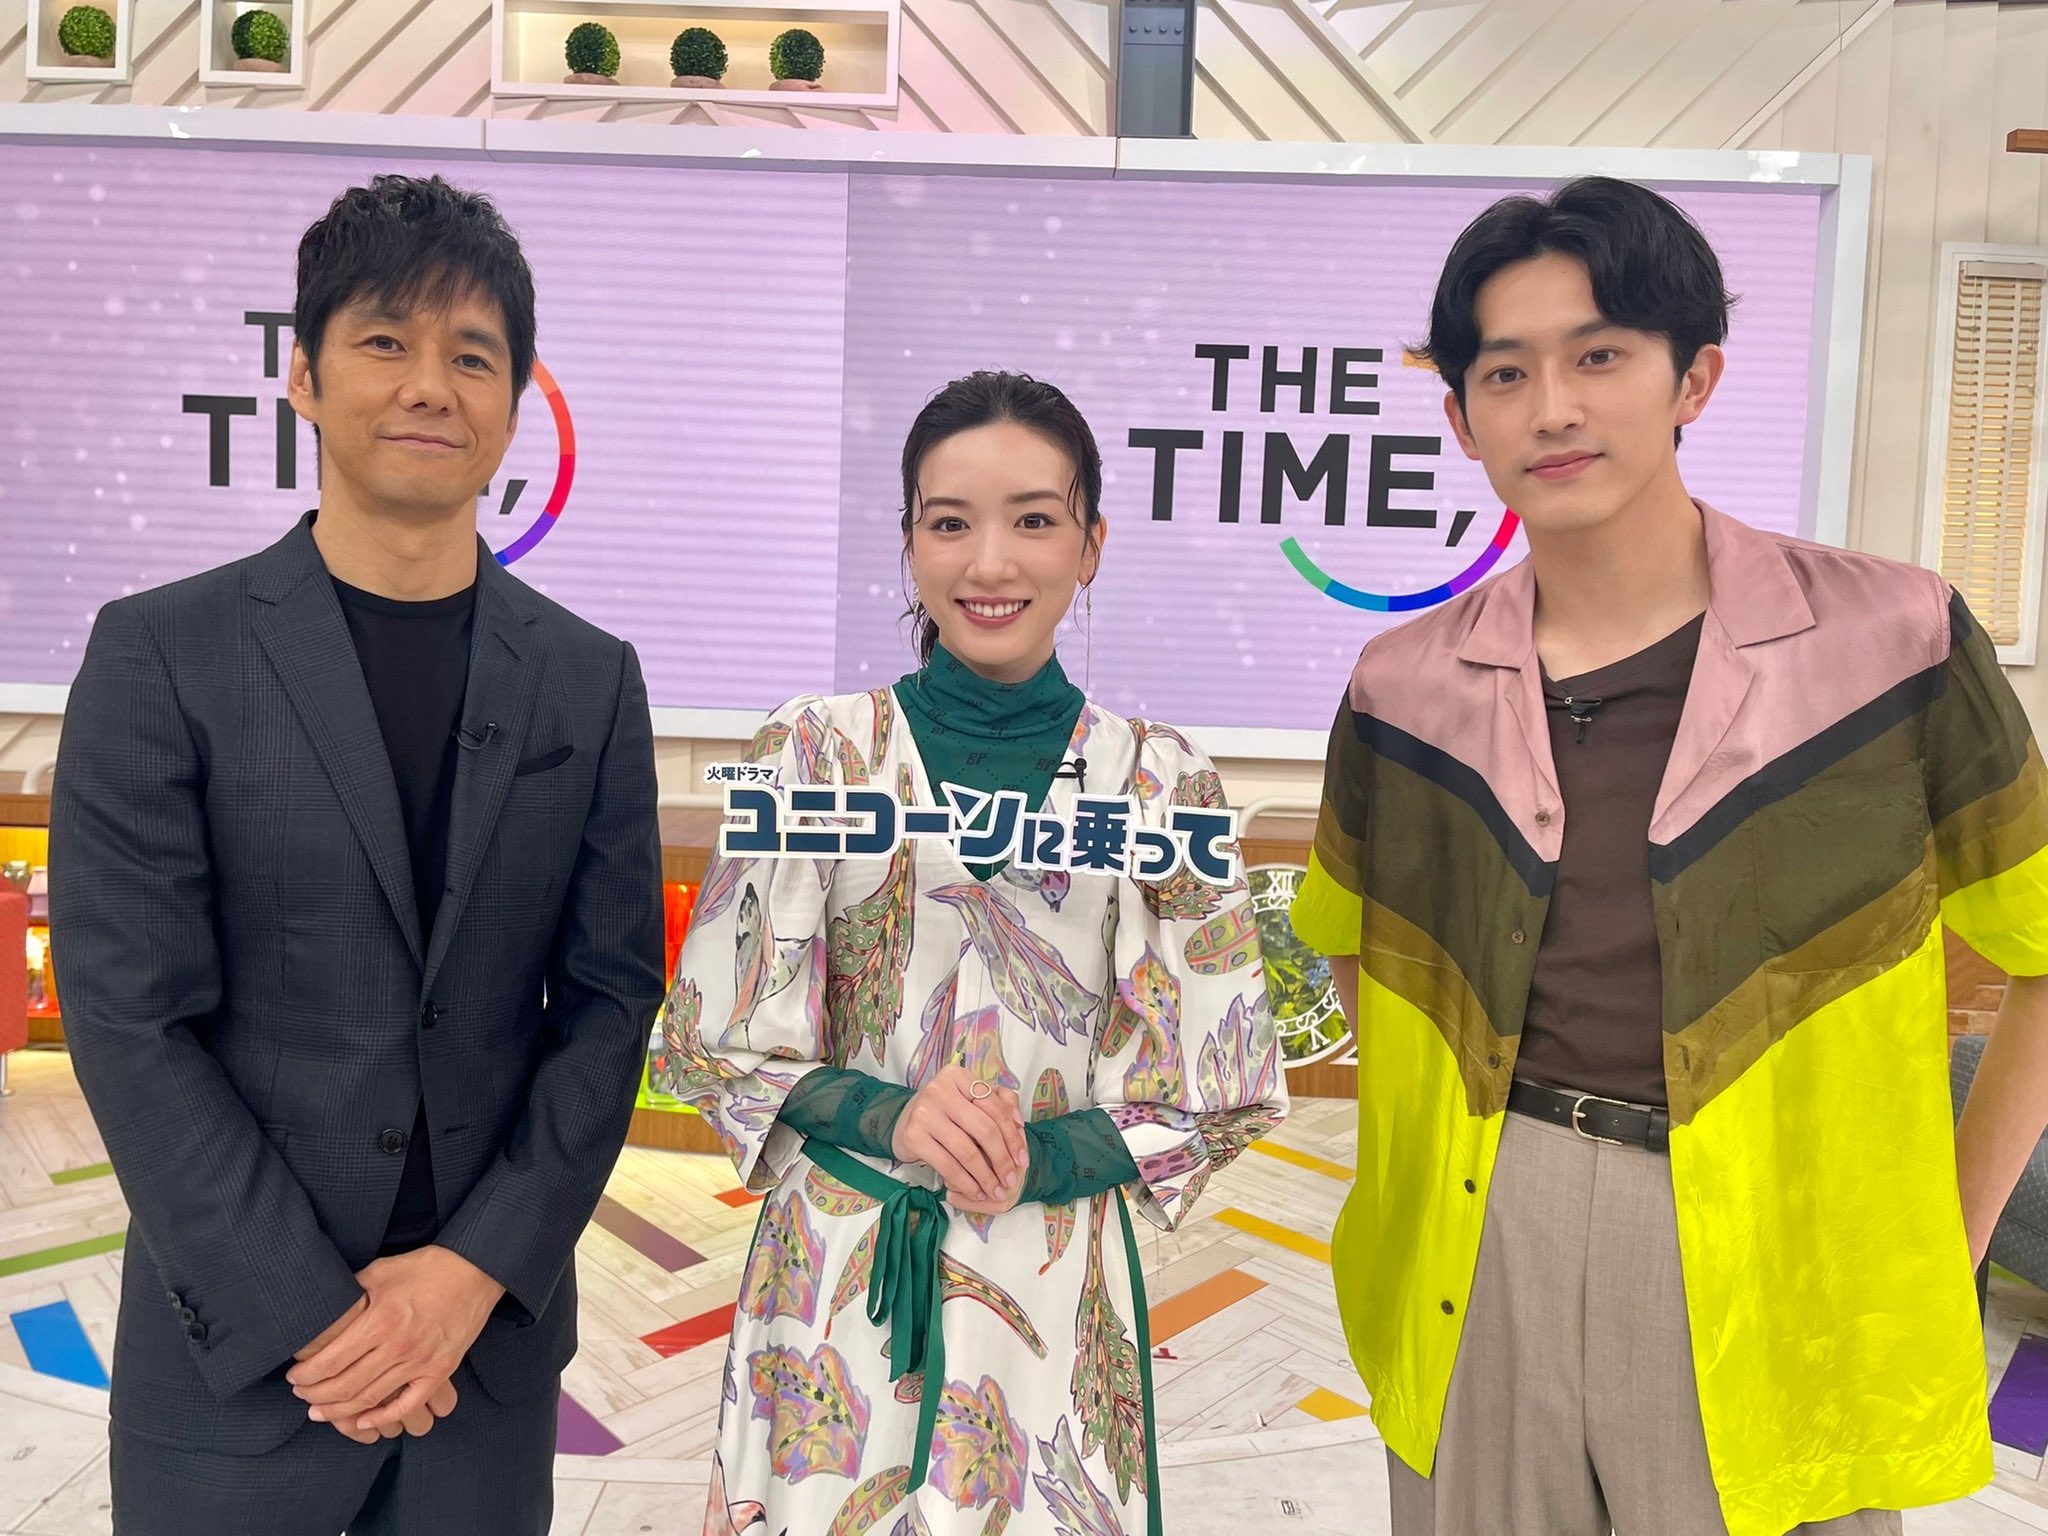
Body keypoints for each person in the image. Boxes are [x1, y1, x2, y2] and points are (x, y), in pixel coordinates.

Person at [1290, 176, 2048, 1536]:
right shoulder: (1403, 687)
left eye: (1598, 357)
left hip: (1777, 1248)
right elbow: (1357, 946)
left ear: (1692, 377)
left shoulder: (1890, 644)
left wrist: (1946, 1228)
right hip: (1482, 1237)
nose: (1553, 408)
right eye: (1504, 373)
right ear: (1460, 419)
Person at [50, 173, 665, 1535]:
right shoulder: (162, 653)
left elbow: (611, 1005)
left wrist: (468, 1275)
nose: (429, 386)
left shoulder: (587, 678)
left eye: (472, 355)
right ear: (305, 376)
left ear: (516, 400)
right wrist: (319, 1318)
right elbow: (131, 1019)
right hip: (240, 1362)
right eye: (386, 341)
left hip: (480, 1366)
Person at [662, 370, 1287, 1536]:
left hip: (1048, 1273)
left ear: (1090, 544)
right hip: (834, 1268)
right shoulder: (814, 753)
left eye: (1032, 520)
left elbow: (1216, 1077)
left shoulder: (1160, 781)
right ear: (908, 543)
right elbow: (713, 1035)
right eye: (948, 523)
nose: (988, 562)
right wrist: (888, 1117)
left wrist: (1035, 1159)